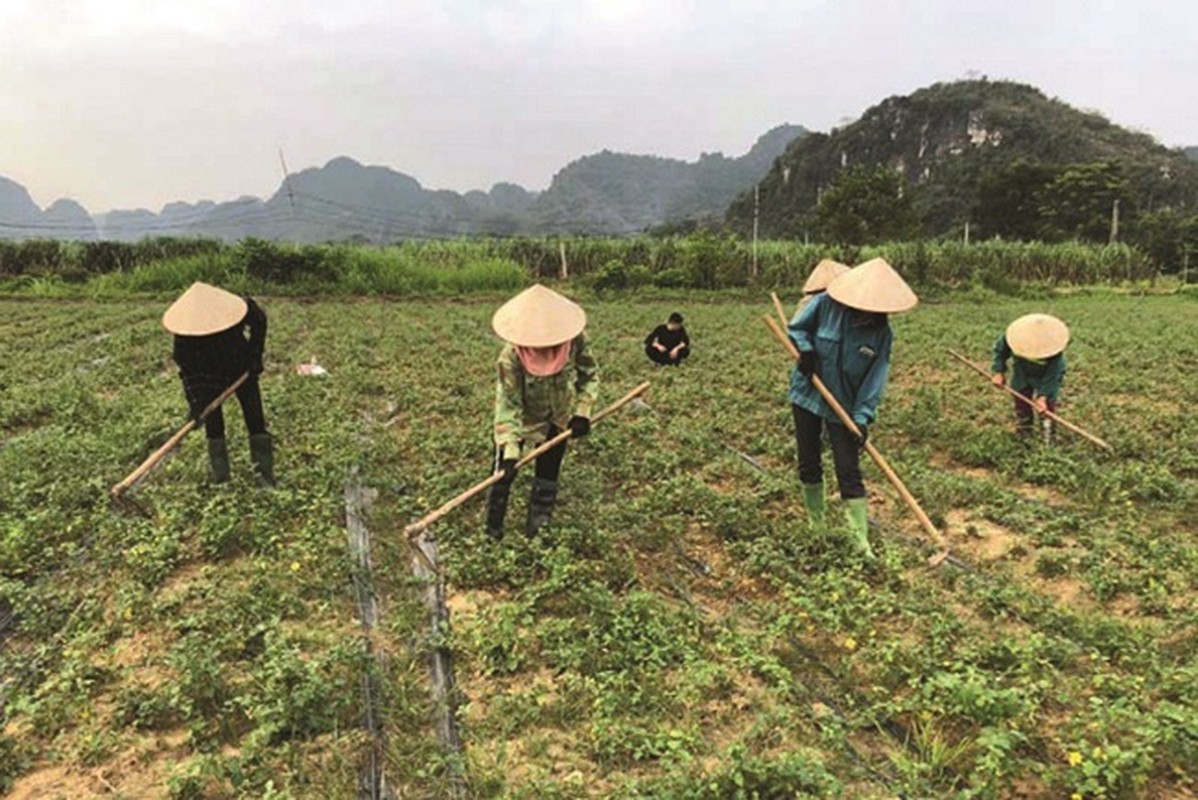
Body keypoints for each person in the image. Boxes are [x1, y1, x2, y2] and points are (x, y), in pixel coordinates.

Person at [787, 258, 918, 559]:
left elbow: (875, 379)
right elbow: (797, 329)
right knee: (809, 461)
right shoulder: (824, 304)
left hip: (844, 405)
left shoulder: (881, 334)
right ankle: (815, 525)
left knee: (848, 469)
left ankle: (860, 542)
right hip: (808, 393)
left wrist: (861, 418)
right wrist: (805, 351)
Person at [486, 284, 600, 539]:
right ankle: (493, 530)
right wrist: (511, 451)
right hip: (521, 419)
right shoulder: (511, 357)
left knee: (548, 471)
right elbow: (508, 404)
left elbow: (590, 375)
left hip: (557, 417)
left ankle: (539, 527)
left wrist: (582, 412)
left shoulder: (575, 340)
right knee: (502, 475)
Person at [162, 281, 274, 486]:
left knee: (255, 419)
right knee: (213, 424)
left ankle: (265, 479)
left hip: (240, 364)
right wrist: (196, 403)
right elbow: (188, 371)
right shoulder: (185, 336)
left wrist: (254, 355)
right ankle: (221, 481)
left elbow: (259, 320)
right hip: (207, 373)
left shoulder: (237, 306)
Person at [991, 313, 1068, 442]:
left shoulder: (1055, 354)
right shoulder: (1014, 337)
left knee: (1047, 410)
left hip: (1045, 378)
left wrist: (1043, 396)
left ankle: (1048, 441)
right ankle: (1024, 436)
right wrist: (998, 372)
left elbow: (1053, 377)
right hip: (1021, 374)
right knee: (1022, 406)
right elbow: (1000, 351)